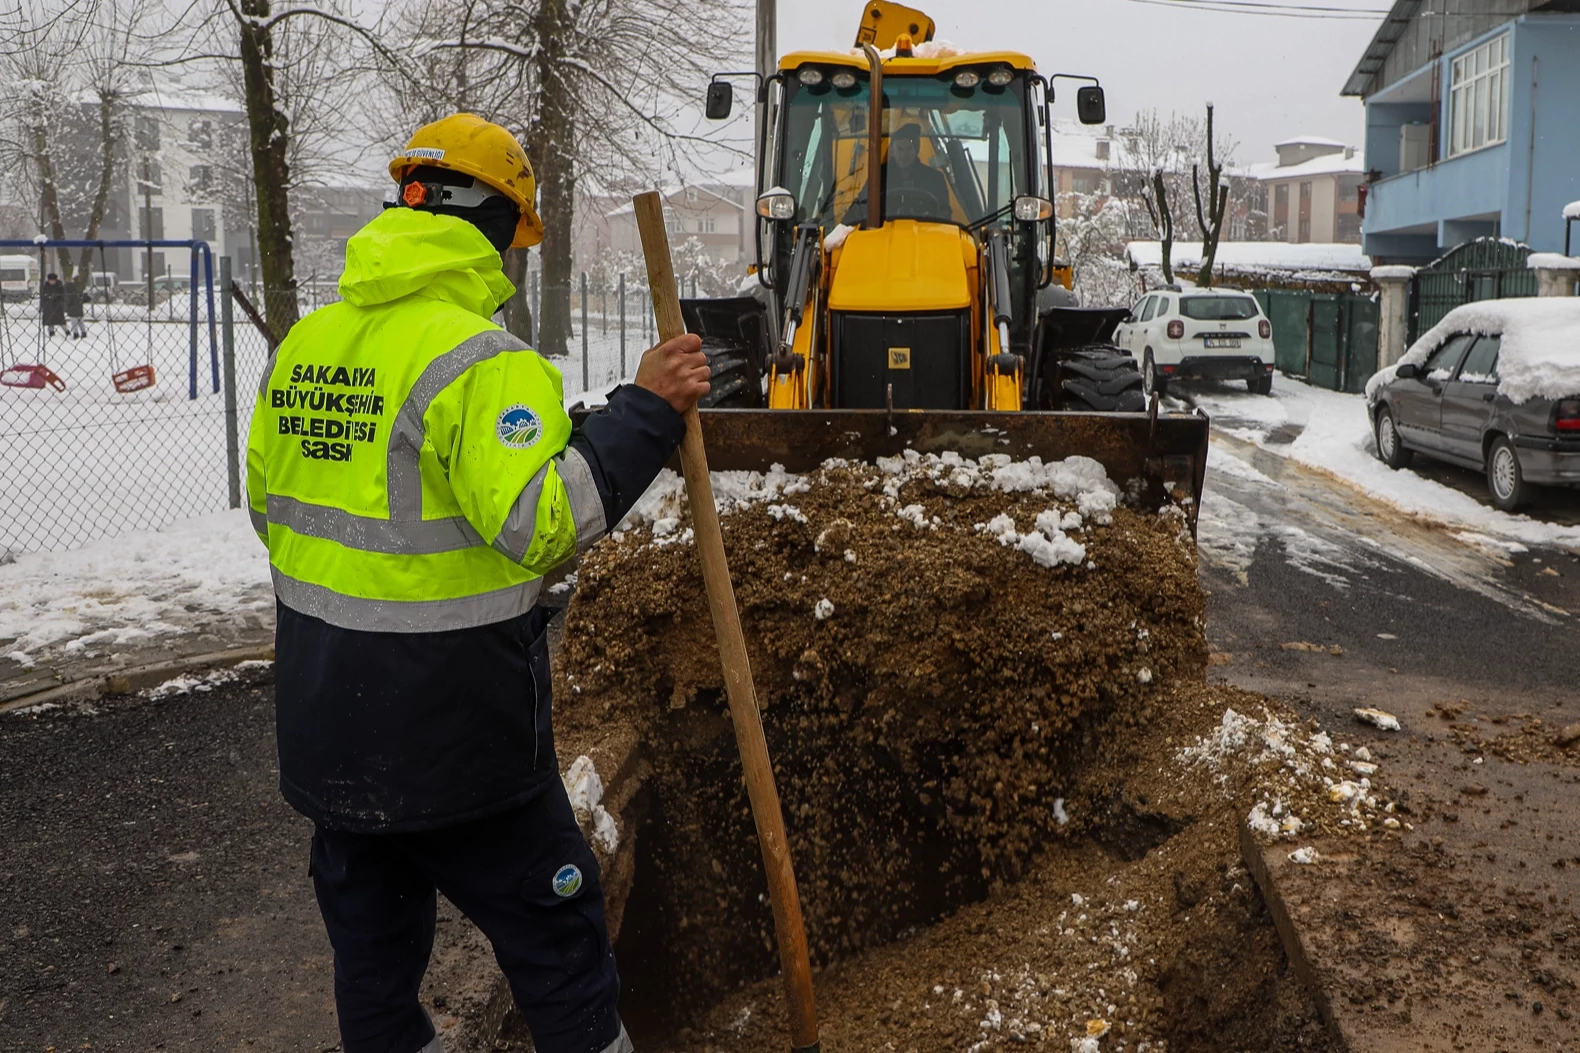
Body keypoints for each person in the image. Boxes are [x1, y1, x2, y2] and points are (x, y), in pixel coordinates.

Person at [244, 113, 710, 1053]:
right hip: (459, 742)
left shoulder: (307, 346)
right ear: (500, 229)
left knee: (373, 973)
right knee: (559, 944)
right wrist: (644, 415)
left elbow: (275, 505)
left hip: (328, 728)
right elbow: (541, 525)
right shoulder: (483, 360)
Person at [843, 122, 953, 224]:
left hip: (925, 237)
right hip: (882, 236)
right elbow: (860, 208)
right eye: (899, 149)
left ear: (917, 150)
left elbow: (944, 213)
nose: (904, 155)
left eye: (908, 149)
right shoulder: (878, 176)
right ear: (892, 151)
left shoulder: (934, 178)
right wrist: (843, 227)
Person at [40, 272, 65, 337]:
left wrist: (59, 301)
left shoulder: (59, 286)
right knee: (50, 321)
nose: (52, 282)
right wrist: (43, 305)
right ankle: (51, 332)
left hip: (57, 306)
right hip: (48, 306)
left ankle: (66, 331)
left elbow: (62, 296)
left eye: (53, 280)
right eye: (50, 280)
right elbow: (43, 297)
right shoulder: (45, 286)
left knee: (60, 320)